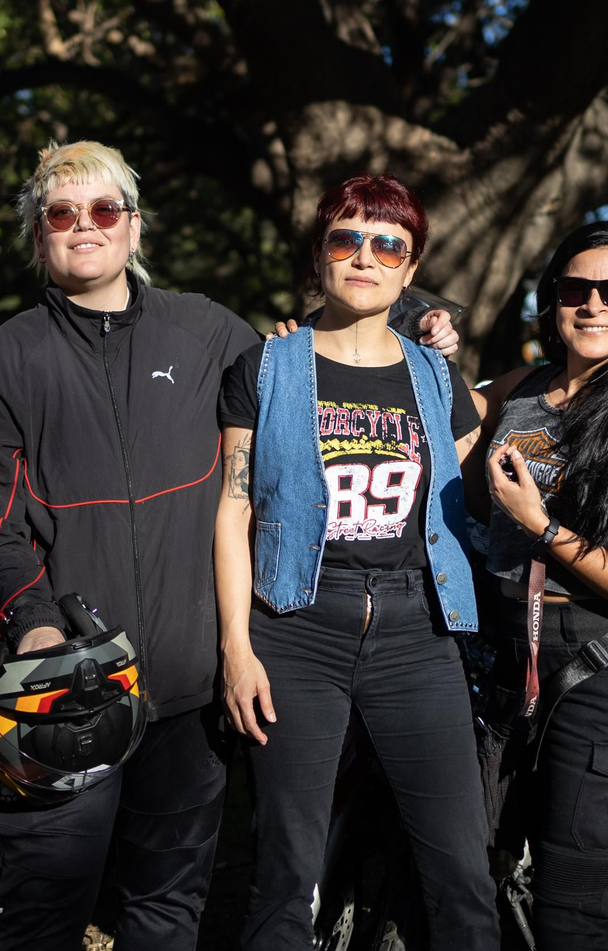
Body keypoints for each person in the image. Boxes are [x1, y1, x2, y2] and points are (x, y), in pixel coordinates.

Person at [0, 141, 459, 950]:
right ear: (38, 233)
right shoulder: (1, 361)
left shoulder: (211, 332)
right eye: (62, 213)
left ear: (135, 226)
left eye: (105, 209)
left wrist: (418, 326)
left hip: (191, 687)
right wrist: (33, 621)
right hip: (63, 683)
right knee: (43, 909)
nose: (86, 225)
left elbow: (316, 371)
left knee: (167, 907)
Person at [214, 174, 498, 950]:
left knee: (461, 871)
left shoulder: (434, 375)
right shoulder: (266, 366)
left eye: (388, 245)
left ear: (411, 270)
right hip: (295, 628)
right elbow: (234, 512)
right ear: (319, 256)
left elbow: (469, 461)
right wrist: (236, 648)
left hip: (417, 632)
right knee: (286, 870)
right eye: (346, 238)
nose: (365, 257)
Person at [464, 221, 608, 950]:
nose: (594, 305)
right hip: (501, 654)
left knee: (573, 902)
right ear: (552, 299)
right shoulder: (522, 389)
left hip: (597, 666)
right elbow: (433, 411)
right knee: (473, 875)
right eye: (576, 288)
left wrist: (541, 526)